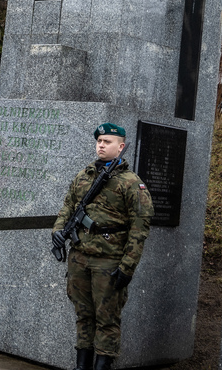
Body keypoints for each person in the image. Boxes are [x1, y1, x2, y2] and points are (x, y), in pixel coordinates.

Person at [51, 123, 154, 370]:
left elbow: (140, 227)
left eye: (107, 142)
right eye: (99, 141)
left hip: (108, 260)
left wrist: (127, 266)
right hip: (80, 257)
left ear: (121, 147)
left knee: (107, 319)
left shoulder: (131, 183)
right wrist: (57, 230)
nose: (101, 145)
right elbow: (68, 206)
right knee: (84, 315)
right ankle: (82, 365)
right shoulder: (84, 175)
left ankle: (102, 365)